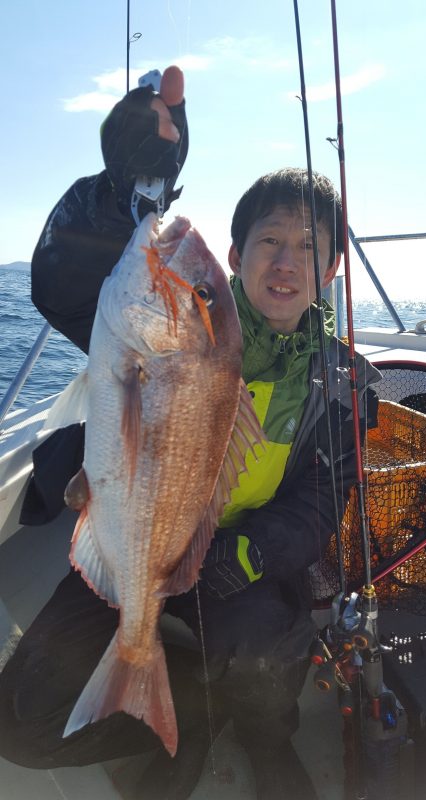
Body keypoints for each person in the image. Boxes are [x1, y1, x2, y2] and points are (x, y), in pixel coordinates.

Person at [0, 66, 380, 799]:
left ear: (330, 270)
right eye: (270, 239)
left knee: (264, 643)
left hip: (235, 563)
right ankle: (175, 718)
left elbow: (318, 505)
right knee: (17, 719)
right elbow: (62, 281)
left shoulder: (342, 382)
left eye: (308, 247)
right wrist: (129, 187)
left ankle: (260, 732)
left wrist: (252, 547)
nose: (286, 261)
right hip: (133, 536)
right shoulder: (174, 325)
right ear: (236, 257)